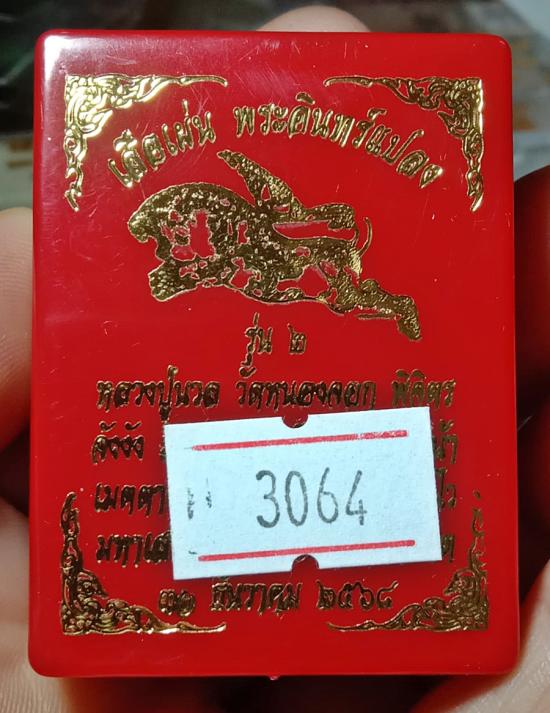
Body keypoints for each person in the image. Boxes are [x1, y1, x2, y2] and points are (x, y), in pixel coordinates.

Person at [0, 6, 548, 712]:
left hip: (366, 507)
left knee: (349, 298)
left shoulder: (265, 234)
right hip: (162, 562)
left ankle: (389, 307)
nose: (175, 243)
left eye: (177, 235)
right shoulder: (214, 235)